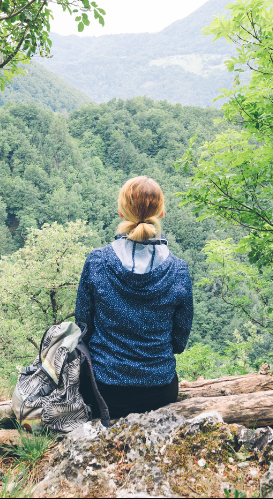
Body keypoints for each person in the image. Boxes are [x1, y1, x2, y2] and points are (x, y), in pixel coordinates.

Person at [75, 175, 194, 419]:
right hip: (160, 390)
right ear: (160, 214)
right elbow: (179, 341)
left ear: (121, 212)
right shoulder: (178, 270)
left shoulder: (97, 261)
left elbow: (82, 329)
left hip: (103, 391)